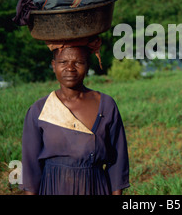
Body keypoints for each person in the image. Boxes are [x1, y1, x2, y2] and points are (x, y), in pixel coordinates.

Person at [19, 36, 130, 195]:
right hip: (53, 188)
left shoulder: (106, 105)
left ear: (88, 66)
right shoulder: (40, 110)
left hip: (96, 188)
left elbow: (118, 160)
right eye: (63, 62)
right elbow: (30, 168)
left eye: (78, 62)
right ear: (53, 66)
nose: (70, 68)